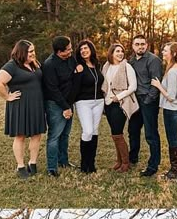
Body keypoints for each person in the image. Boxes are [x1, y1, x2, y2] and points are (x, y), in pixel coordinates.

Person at [0, 39, 45, 180]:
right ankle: (21, 166)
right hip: (20, 106)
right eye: (30, 52)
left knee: (36, 134)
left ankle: (32, 163)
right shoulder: (12, 65)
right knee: (20, 136)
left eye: (33, 50)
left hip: (36, 105)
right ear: (22, 52)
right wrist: (7, 97)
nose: (33, 53)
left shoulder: (34, 64)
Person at [151, 41, 177, 180]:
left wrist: (158, 85)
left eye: (165, 51)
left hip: (172, 109)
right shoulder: (174, 67)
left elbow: (171, 97)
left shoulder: (174, 70)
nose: (163, 52)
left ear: (173, 54)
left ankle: (176, 171)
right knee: (174, 137)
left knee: (172, 138)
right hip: (175, 108)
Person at [41, 34, 79, 177]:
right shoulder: (49, 64)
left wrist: (69, 105)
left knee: (65, 135)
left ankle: (63, 161)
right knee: (54, 136)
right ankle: (52, 167)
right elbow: (52, 89)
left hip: (69, 103)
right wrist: (65, 107)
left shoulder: (71, 59)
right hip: (55, 104)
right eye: (68, 50)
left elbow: (75, 75)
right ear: (59, 51)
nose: (71, 51)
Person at [126, 34, 163, 177]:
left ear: (146, 45)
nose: (140, 46)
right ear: (133, 46)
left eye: (143, 44)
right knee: (133, 130)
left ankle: (153, 165)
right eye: (137, 44)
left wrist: (148, 100)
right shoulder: (132, 61)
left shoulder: (154, 60)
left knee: (151, 134)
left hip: (148, 101)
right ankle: (132, 158)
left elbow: (156, 83)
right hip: (135, 100)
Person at [102, 42, 139, 171]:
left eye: (122, 51)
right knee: (114, 134)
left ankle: (125, 163)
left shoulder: (127, 67)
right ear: (111, 53)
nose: (120, 53)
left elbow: (133, 87)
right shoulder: (106, 67)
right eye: (117, 51)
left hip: (120, 103)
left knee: (118, 134)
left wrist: (119, 97)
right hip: (108, 104)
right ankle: (119, 161)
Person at [74, 39, 104, 174]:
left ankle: (91, 164)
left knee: (95, 131)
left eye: (85, 48)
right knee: (87, 131)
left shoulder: (97, 65)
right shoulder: (78, 66)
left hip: (99, 101)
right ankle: (84, 164)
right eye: (81, 50)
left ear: (91, 49)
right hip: (83, 102)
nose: (83, 51)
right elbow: (73, 86)